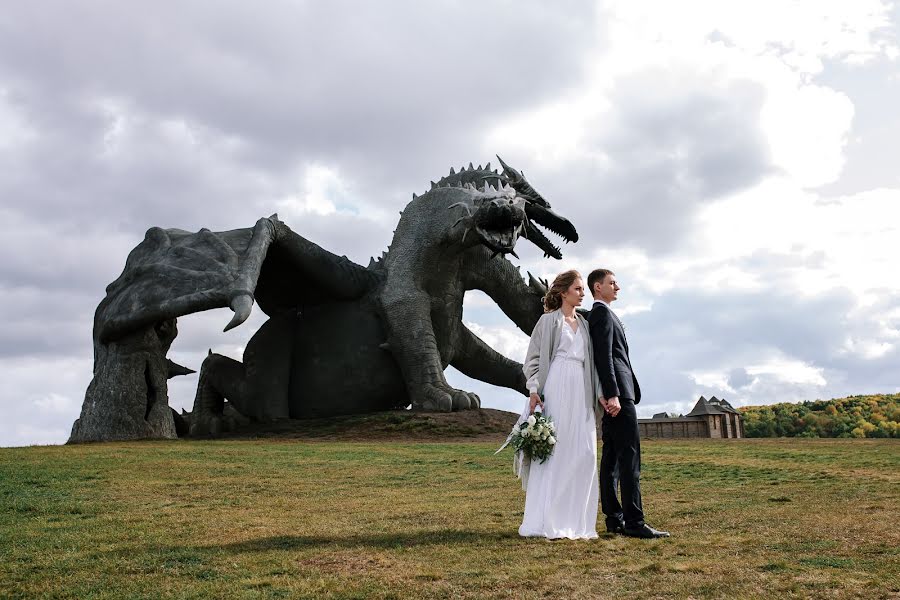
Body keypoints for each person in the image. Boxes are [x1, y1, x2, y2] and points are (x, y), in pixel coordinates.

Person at [519, 270, 601, 539]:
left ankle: (577, 522)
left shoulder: (586, 324)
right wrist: (534, 389)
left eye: (582, 289)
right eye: (578, 289)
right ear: (564, 292)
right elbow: (532, 360)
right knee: (556, 452)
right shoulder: (547, 322)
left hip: (582, 388)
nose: (582, 293)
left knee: (585, 452)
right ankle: (546, 521)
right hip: (556, 385)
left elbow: (593, 364)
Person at [587, 268, 670, 539]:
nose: (618, 287)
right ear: (598, 287)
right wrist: (612, 394)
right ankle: (635, 521)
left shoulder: (605, 313)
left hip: (619, 393)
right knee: (629, 457)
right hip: (619, 396)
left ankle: (615, 518)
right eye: (612, 283)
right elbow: (603, 356)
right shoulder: (600, 313)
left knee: (611, 456)